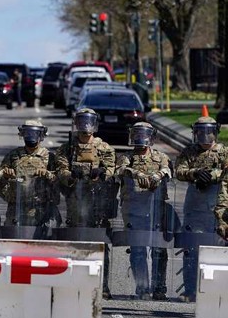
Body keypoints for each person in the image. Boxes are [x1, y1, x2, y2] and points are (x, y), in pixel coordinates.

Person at [55, 108, 116, 299]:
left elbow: (112, 169)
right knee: (75, 241)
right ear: (76, 123)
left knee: (100, 244)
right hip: (75, 201)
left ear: (95, 125)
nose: (85, 127)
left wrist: (101, 173)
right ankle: (72, 281)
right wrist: (72, 175)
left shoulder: (104, 147)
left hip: (99, 201)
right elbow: (60, 170)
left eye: (89, 122)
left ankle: (103, 285)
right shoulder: (67, 148)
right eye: (82, 122)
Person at [116, 122, 172, 300]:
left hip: (156, 207)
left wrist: (159, 175)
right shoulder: (127, 157)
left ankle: (159, 287)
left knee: (159, 249)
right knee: (138, 249)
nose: (141, 138)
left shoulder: (160, 157)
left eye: (144, 134)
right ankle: (142, 286)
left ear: (151, 137)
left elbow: (169, 169)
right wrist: (136, 174)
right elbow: (120, 170)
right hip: (133, 208)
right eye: (137, 134)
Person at [179, 116, 228, 302]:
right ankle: (190, 290)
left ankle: (214, 289)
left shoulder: (223, 152)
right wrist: (195, 173)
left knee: (217, 246)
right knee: (191, 248)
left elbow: (226, 171)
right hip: (195, 205)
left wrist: (212, 175)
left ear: (215, 132)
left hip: (217, 204)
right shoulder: (189, 152)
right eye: (200, 132)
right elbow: (179, 170)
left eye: (209, 132)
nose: (205, 136)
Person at [0, 120, 58, 232]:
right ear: (23, 134)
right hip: (16, 210)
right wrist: (6, 176)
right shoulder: (13, 156)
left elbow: (60, 183)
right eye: (28, 133)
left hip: (41, 210)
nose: (31, 136)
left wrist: (47, 174)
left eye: (35, 133)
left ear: (41, 135)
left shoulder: (49, 157)